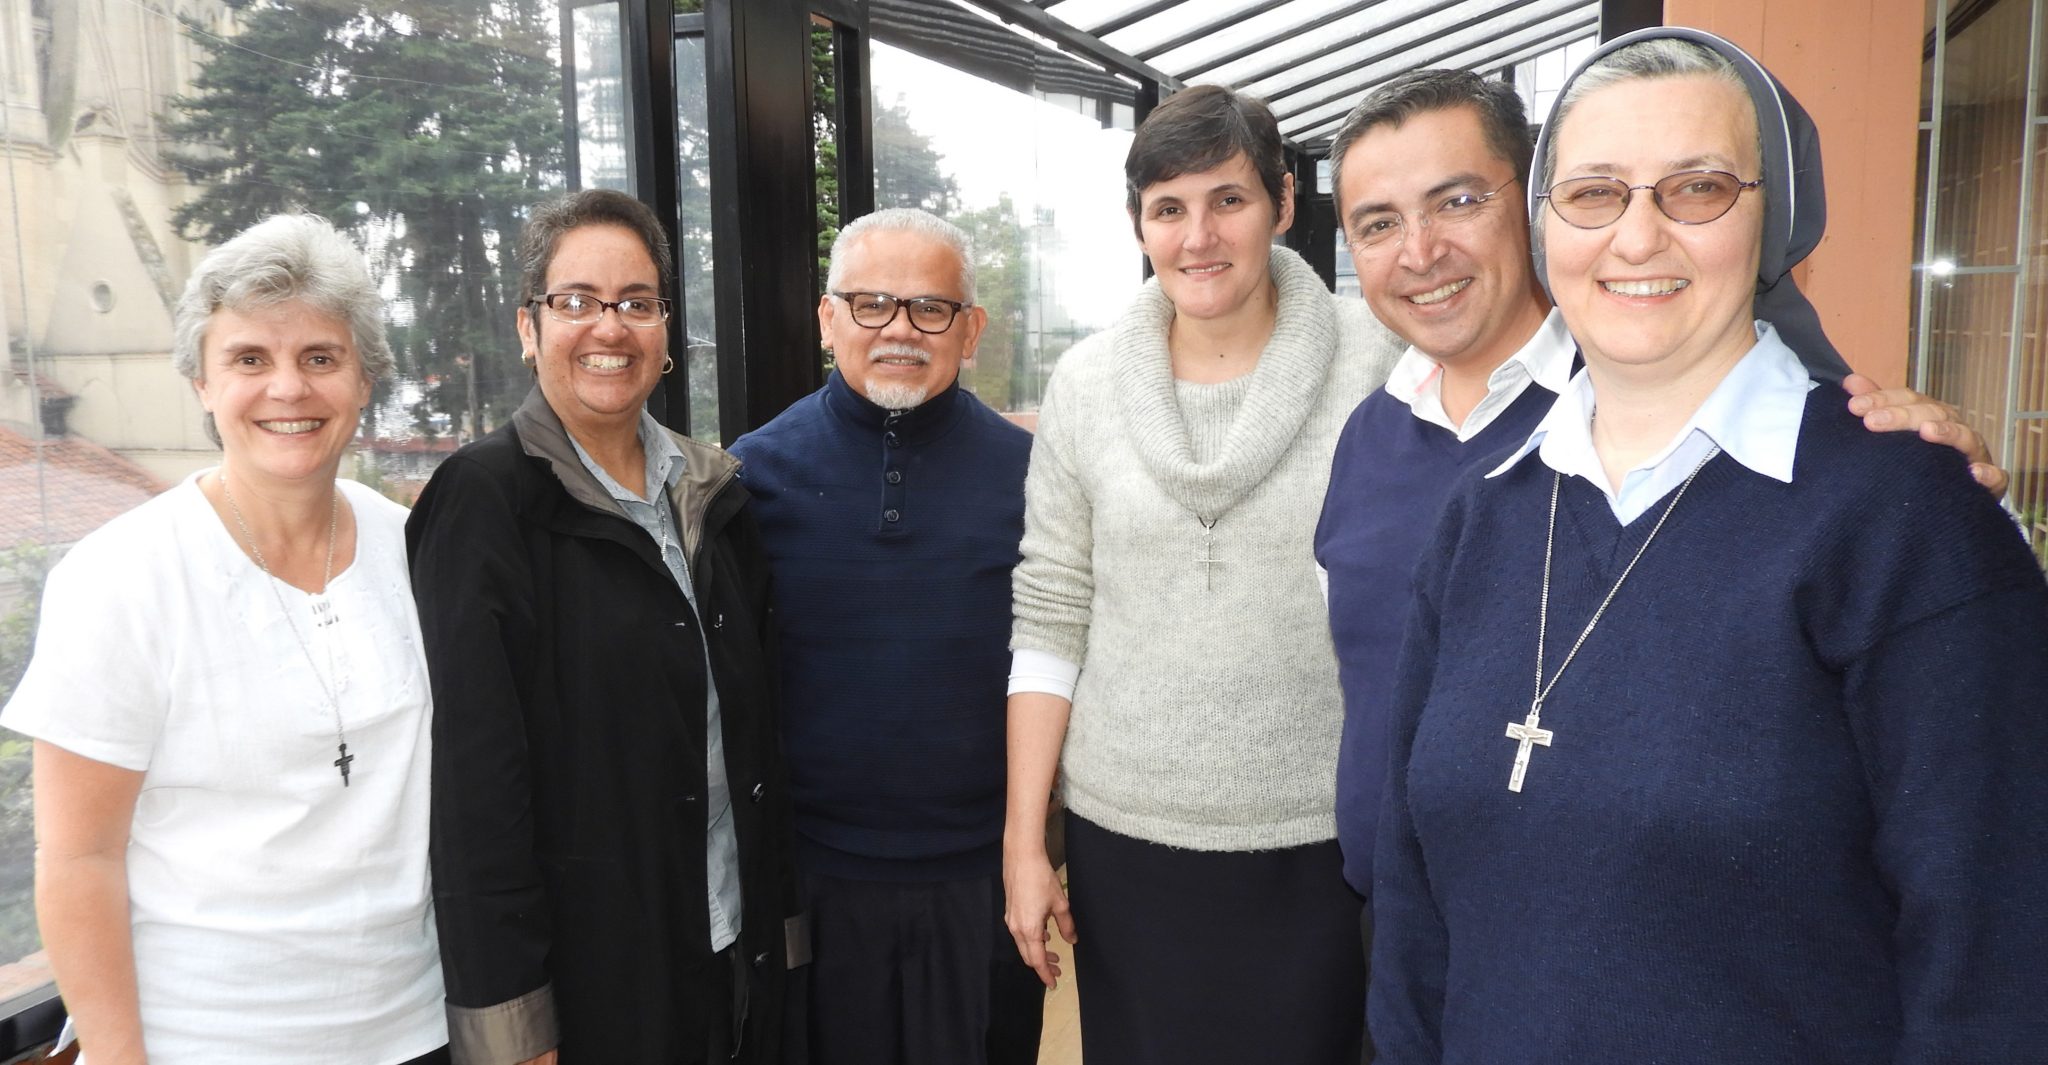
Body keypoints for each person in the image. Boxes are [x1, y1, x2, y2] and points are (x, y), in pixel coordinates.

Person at [1368, 29, 2048, 1063]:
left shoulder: (1905, 520)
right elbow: (1414, 904)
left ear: (1774, 219)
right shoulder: (1481, 518)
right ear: (1545, 226)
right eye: (1594, 193)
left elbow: (1995, 950)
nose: (1637, 237)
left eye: (1696, 188)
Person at [1002, 84, 1404, 1064]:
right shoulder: (1086, 385)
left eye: (1228, 200)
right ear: (1137, 225)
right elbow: (1051, 610)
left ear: (1282, 202)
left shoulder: (1382, 361)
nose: (1198, 237)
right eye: (1167, 209)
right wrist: (1024, 840)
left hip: (1326, 841)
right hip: (1125, 843)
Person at [0, 214, 447, 1064]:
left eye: (320, 357)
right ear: (201, 382)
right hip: (204, 1041)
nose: (288, 388)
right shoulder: (120, 577)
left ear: (364, 379)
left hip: (420, 1030)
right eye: (248, 359)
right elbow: (78, 859)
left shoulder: (417, 550)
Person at [406, 188, 792, 1064]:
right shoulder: (484, 502)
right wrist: (510, 1024)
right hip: (589, 986)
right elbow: (473, 791)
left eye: (636, 302)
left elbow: (756, 744)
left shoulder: (714, 493)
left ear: (664, 330)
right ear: (528, 325)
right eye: (576, 301)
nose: (609, 328)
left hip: (728, 949)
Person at [728, 207, 1041, 1065]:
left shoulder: (1034, 478)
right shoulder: (751, 474)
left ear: (970, 331)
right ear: (828, 319)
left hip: (983, 879)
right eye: (871, 303)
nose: (900, 329)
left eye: (930, 308)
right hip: (809, 882)